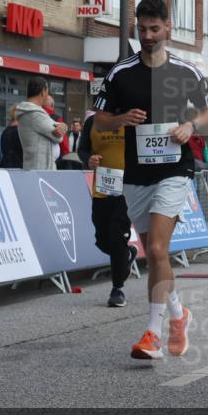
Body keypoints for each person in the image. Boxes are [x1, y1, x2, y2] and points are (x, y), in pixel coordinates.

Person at [92, 0, 208, 360]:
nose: (147, 35)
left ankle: (152, 333)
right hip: (136, 175)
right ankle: (179, 316)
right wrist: (119, 120)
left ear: (168, 28)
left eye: (154, 29)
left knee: (159, 249)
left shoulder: (185, 71)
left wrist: (189, 125)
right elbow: (98, 119)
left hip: (174, 171)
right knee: (156, 256)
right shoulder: (120, 72)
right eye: (142, 28)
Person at [77, 111, 139, 307]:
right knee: (102, 239)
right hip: (102, 189)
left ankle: (117, 288)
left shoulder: (131, 120)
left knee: (116, 234)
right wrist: (89, 159)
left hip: (127, 188)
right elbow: (82, 149)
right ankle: (126, 254)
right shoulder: (92, 122)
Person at [16, 77, 68, 171]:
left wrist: (62, 126)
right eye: (47, 91)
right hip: (41, 171)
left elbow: (56, 127)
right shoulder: (35, 114)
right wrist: (62, 127)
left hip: (32, 168)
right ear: (43, 91)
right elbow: (58, 137)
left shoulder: (27, 112)